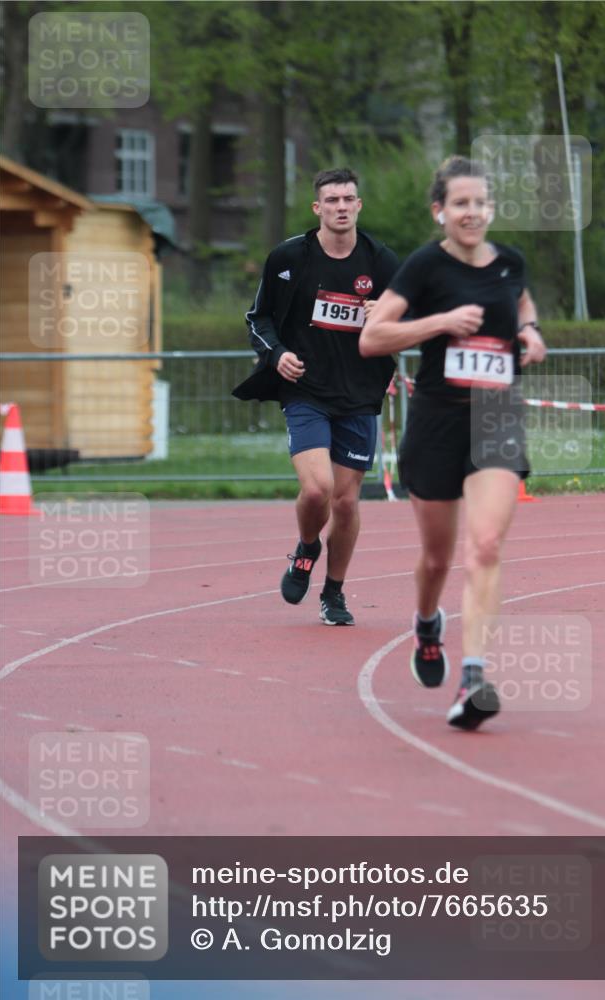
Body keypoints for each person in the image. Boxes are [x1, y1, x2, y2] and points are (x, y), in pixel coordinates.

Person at [360, 155, 547, 730]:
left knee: (485, 545)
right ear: (440, 211)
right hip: (438, 419)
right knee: (438, 557)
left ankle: (474, 678)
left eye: (481, 203)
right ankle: (426, 622)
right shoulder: (423, 268)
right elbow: (373, 337)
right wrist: (439, 323)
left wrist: (529, 331)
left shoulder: (508, 262)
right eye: (461, 203)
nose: (473, 213)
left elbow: (518, 300)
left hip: (495, 417)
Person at [233, 168, 398, 625]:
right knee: (318, 489)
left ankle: (335, 592)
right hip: (305, 389)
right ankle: (307, 548)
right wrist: (277, 355)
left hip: (360, 393)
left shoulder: (382, 263)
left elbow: (412, 322)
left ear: (359, 205)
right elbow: (257, 318)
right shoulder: (289, 258)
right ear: (317, 208)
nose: (341, 206)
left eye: (349, 198)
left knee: (346, 503)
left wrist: (383, 314)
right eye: (332, 200)